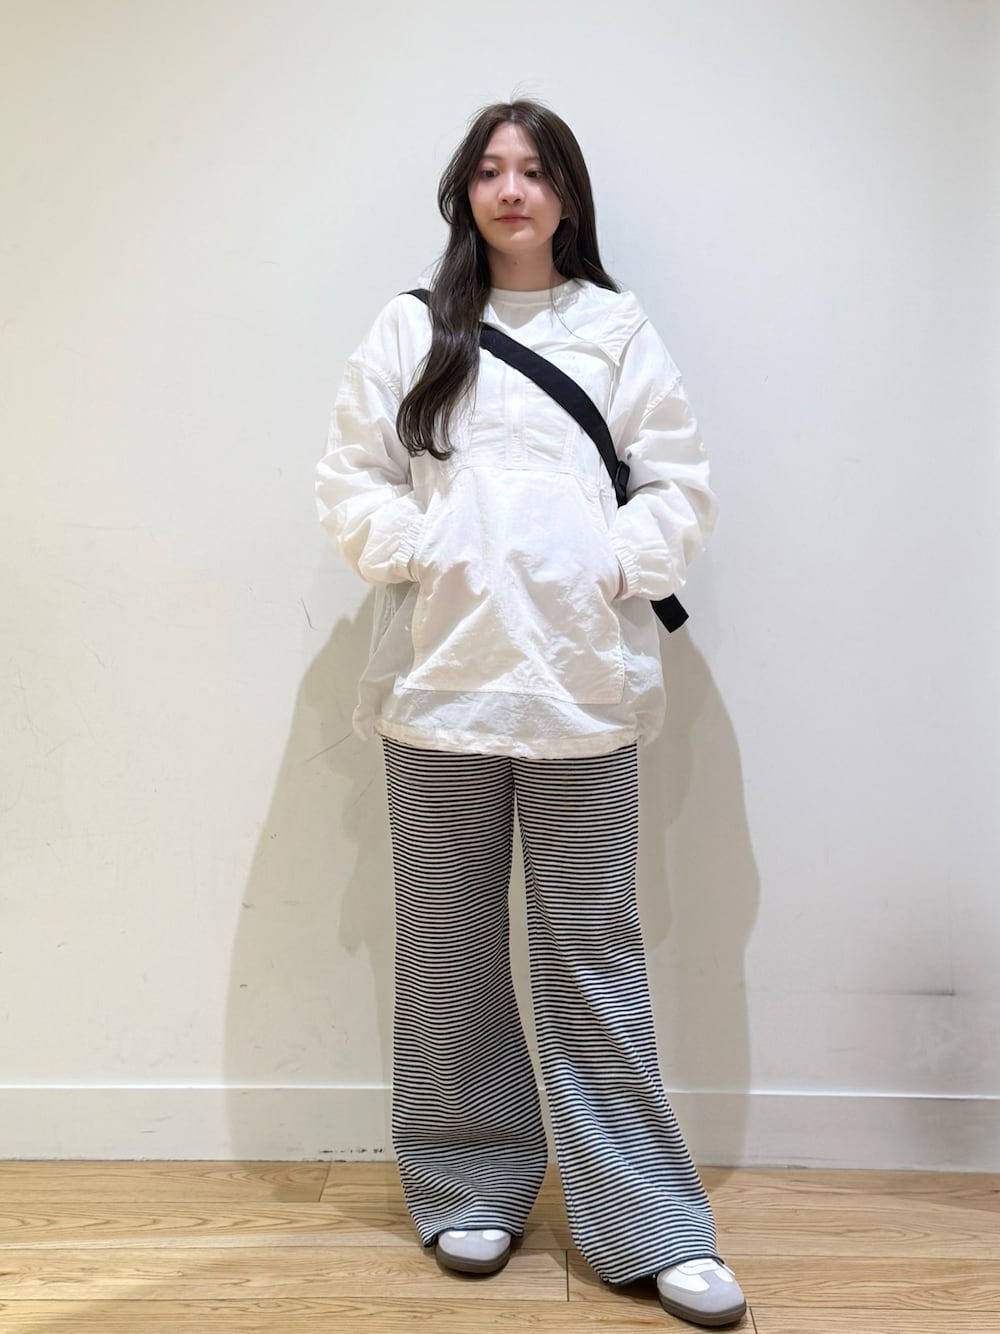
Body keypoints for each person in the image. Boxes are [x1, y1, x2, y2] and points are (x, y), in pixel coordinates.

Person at [315, 99, 747, 1329]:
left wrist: (601, 562)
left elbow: (678, 485)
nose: (513, 189)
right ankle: (469, 1180)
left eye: (535, 169)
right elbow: (350, 475)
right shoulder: (414, 327)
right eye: (492, 170)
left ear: (566, 194)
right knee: (446, 945)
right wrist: (426, 548)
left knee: (589, 950)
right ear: (464, 191)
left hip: (582, 689)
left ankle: (648, 1219)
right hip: (439, 688)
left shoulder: (614, 328)